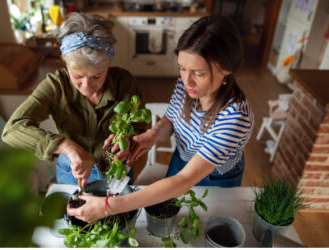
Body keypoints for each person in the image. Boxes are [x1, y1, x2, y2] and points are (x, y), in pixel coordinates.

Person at [67, 16, 254, 222]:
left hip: (216, 178)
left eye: (198, 73)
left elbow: (184, 181)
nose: (186, 80)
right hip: (181, 160)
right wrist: (149, 136)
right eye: (182, 68)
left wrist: (108, 206)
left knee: (204, 222)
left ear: (227, 70)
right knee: (174, 214)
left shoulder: (235, 118)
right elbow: (169, 121)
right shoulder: (188, 86)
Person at [2, 13, 142, 187]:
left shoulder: (125, 82)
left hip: (117, 170)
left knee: (122, 213)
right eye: (78, 76)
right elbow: (13, 129)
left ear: (108, 65)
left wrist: (129, 139)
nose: (87, 86)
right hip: (72, 173)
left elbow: (139, 127)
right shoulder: (55, 85)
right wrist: (65, 145)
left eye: (97, 76)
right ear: (65, 64)